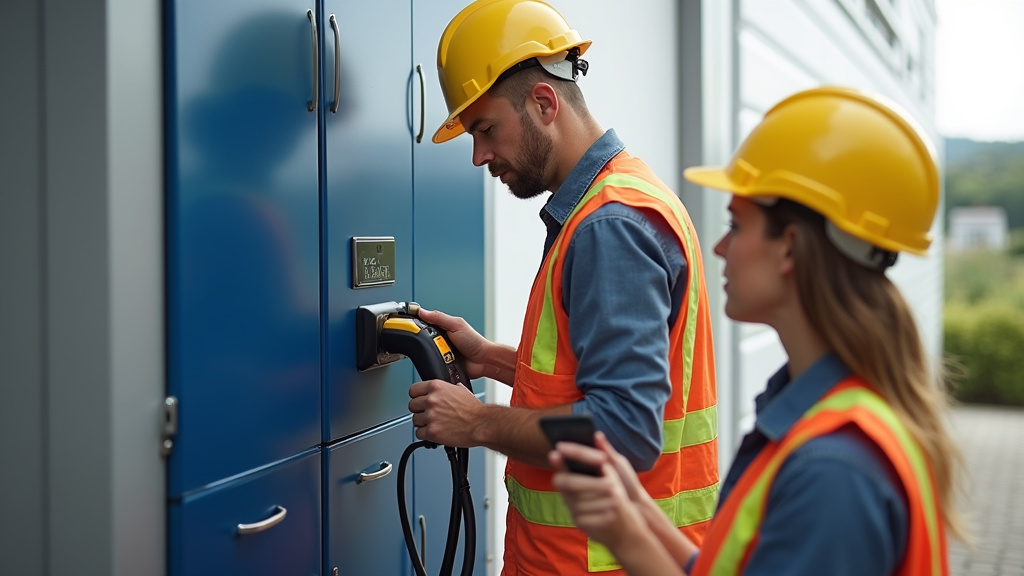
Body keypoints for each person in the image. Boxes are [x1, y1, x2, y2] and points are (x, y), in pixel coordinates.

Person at [548, 85, 969, 576]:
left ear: (789, 248)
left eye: (737, 224)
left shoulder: (833, 472)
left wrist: (624, 536)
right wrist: (637, 512)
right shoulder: (824, 417)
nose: (721, 247)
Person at [406, 0, 719, 574]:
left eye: (485, 129)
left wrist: (475, 422)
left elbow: (623, 429)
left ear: (544, 103)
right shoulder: (611, 202)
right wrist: (493, 359)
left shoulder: (610, 227)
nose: (479, 156)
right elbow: (591, 378)